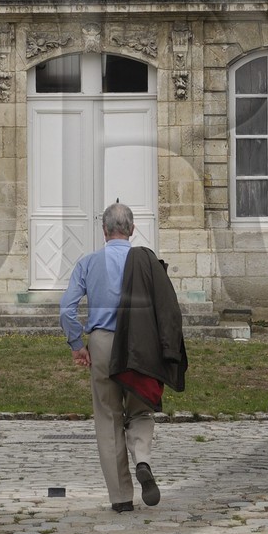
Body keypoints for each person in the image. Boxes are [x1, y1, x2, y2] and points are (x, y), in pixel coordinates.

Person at [59, 202, 186, 512]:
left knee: (108, 417)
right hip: (141, 344)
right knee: (141, 409)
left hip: (102, 344)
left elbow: (66, 309)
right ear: (132, 230)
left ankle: (121, 498)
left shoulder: (88, 263)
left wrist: (78, 344)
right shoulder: (147, 263)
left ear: (104, 231)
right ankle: (142, 459)